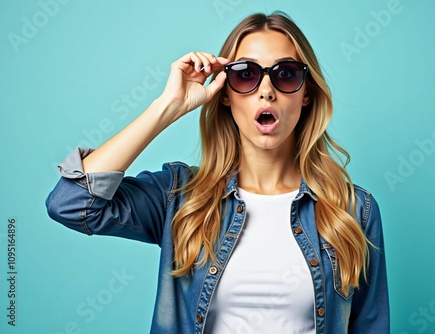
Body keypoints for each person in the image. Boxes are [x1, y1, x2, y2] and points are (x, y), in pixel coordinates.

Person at [46, 11, 389, 334]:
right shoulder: (181, 198)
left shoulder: (354, 211)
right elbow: (72, 202)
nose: (266, 90)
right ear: (225, 94)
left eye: (286, 74)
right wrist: (168, 106)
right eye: (246, 74)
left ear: (306, 95)